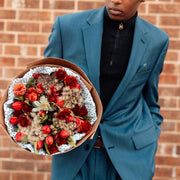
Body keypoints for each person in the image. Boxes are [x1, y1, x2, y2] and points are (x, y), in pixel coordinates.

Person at [44, 0, 169, 179]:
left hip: (128, 160)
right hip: (74, 155)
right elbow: (45, 87)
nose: (116, 0)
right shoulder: (67, 27)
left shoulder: (157, 41)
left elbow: (150, 100)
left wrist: (150, 136)